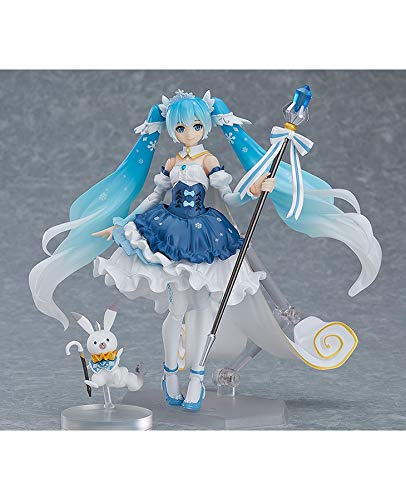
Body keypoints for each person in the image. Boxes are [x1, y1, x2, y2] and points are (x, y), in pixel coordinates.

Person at [30, 89, 382, 411]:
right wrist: (123, 225)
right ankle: (171, 374)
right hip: (168, 234)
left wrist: (256, 188)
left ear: (206, 127)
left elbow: (231, 197)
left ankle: (196, 376)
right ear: (172, 130)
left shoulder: (208, 161)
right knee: (176, 310)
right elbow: (154, 197)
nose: (189, 133)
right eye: (181, 127)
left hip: (204, 235)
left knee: (200, 309)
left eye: (196, 126)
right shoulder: (172, 163)